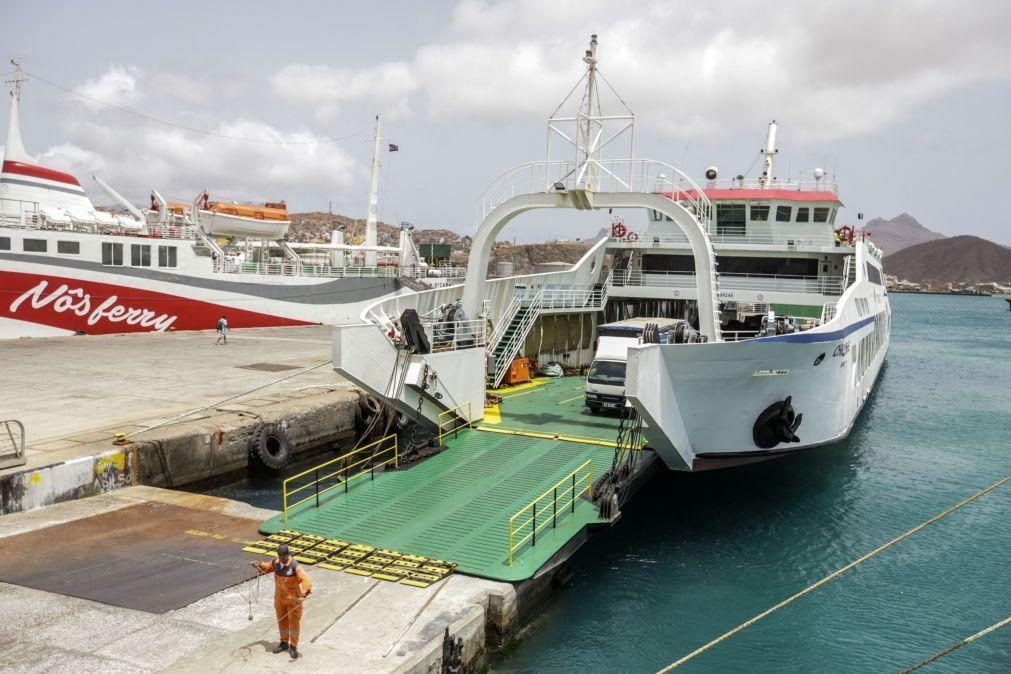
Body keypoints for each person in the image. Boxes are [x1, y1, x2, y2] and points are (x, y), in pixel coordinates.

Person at [252, 544, 312, 659]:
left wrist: (304, 594)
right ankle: (284, 643)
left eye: (284, 556)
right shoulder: (276, 563)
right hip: (279, 599)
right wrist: (258, 565)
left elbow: (305, 579)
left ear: (288, 554)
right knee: (282, 621)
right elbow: (266, 567)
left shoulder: (295, 566)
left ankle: (293, 646)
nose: (282, 558)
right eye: (280, 556)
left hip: (293, 600)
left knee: (294, 623)